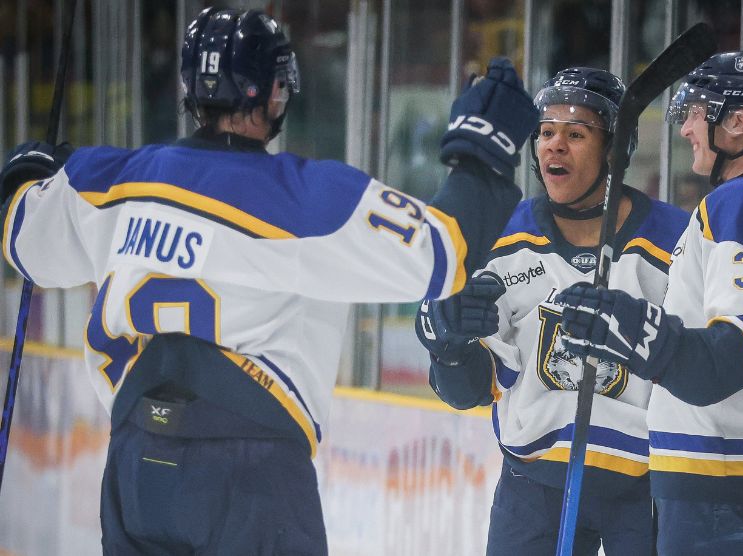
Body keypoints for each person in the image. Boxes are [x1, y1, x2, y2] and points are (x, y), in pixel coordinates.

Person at [0, 7, 538, 555]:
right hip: (248, 468)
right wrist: (483, 153)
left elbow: (24, 239)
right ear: (275, 91)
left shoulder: (108, 177)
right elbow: (443, 252)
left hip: (136, 457)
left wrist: (27, 174)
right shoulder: (301, 197)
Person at [555, 51, 743, 555]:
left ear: (737, 122)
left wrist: (636, 331)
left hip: (725, 478)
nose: (686, 128)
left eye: (697, 113)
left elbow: (732, 358)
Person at [414, 67, 689, 555]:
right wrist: (449, 347)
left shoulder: (678, 241)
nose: (554, 146)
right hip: (533, 489)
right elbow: (469, 391)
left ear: (614, 150)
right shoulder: (500, 237)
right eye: (545, 132)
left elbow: (699, 366)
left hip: (648, 488)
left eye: (576, 134)